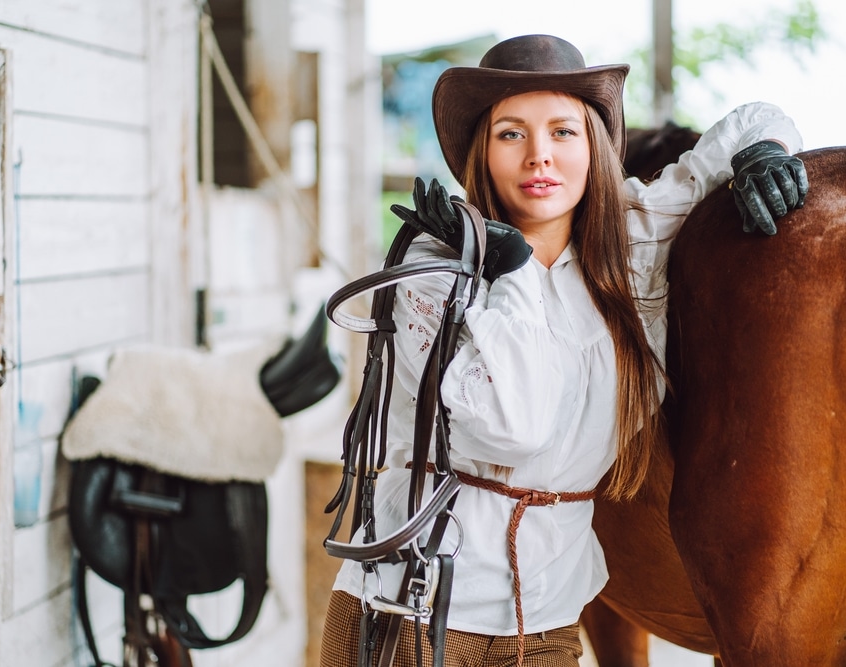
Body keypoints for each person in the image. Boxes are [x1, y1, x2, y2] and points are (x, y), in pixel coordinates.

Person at [321, 34, 808, 667]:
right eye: (511, 135)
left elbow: (750, 121)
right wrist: (513, 271)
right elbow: (516, 429)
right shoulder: (432, 271)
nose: (539, 157)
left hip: (549, 623)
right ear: (482, 152)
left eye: (563, 132)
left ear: (596, 144)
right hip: (416, 615)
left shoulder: (633, 243)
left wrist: (764, 150)